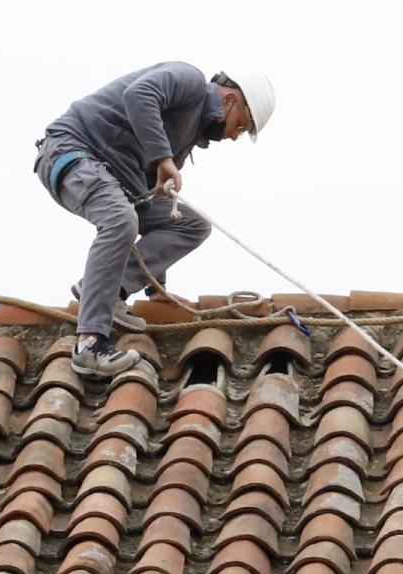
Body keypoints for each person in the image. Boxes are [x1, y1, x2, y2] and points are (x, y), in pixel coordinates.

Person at [33, 62, 275, 376]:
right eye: (240, 126)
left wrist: (156, 288)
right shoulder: (189, 80)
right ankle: (89, 344)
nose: (233, 137)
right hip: (73, 151)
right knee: (120, 219)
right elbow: (139, 94)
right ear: (230, 100)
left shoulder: (185, 138)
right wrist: (163, 158)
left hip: (115, 179)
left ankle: (113, 289)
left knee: (191, 224)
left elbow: (152, 205)